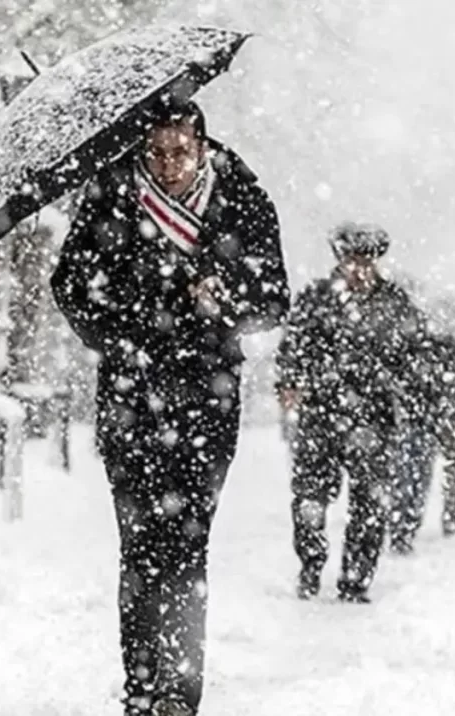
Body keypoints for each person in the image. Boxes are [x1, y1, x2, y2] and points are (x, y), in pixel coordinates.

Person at [50, 97, 289, 716]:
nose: (168, 164)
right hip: (131, 396)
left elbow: (274, 298)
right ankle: (141, 684)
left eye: (181, 151)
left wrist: (225, 298)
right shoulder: (110, 196)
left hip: (208, 399)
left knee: (186, 546)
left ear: (202, 146)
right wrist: (128, 322)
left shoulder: (243, 199)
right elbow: (70, 286)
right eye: (156, 151)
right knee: (139, 545)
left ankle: (180, 693)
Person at [275, 222, 427, 603]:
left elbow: (414, 356)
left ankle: (356, 579)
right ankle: (310, 566)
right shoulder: (316, 299)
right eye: (351, 261)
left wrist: (405, 390)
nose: (358, 269)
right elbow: (293, 346)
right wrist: (291, 384)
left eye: (365, 261)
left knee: (370, 502)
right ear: (339, 260)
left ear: (376, 262)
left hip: (374, 417)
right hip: (320, 414)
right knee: (310, 497)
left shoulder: (395, 303)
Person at [390, 308, 455, 552]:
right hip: (433, 419)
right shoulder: (428, 350)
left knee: (437, 471)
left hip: (448, 420)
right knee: (420, 471)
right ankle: (410, 519)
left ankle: (441, 514)